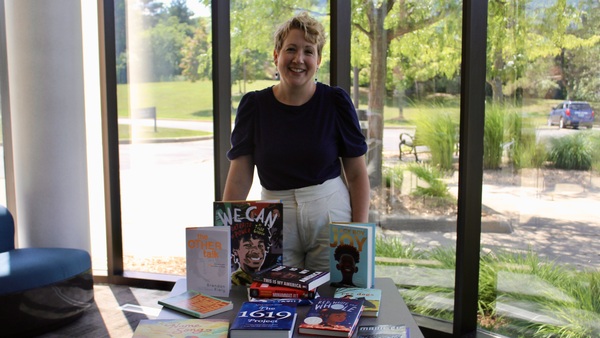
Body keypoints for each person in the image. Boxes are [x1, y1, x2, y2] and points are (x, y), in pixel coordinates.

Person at [223, 12, 370, 272]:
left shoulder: (336, 102)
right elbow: (239, 177)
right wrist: (223, 232)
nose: (298, 59)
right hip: (272, 221)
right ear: (276, 55)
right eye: (291, 49)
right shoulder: (254, 106)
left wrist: (359, 233)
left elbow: (357, 174)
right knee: (275, 301)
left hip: (331, 216)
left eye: (308, 51)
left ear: (318, 60)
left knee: (331, 301)